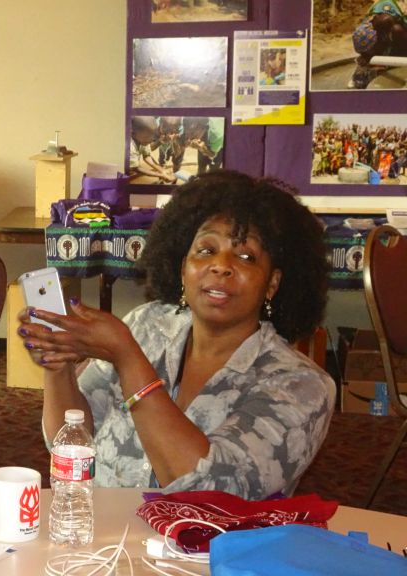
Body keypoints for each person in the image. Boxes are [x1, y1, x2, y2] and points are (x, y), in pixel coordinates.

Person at [18, 170, 333, 501]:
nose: (221, 265)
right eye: (206, 250)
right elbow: (68, 443)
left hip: (205, 551)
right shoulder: (146, 325)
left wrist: (128, 359)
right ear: (183, 268)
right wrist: (57, 368)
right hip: (102, 540)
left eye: (245, 256)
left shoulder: (301, 386)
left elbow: (206, 491)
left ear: (272, 283)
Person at [348, 0, 407, 89]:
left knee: (397, 31)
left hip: (399, 41)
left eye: (369, 52)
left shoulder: (396, 30)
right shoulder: (371, 23)